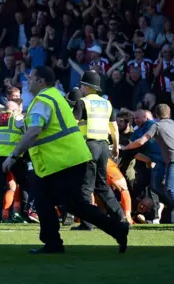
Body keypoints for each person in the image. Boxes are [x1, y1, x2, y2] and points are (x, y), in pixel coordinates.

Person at [1, 66, 129, 254]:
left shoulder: (43, 100)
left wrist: (13, 155)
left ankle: (58, 242)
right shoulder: (54, 96)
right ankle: (111, 230)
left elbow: (35, 131)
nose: (27, 82)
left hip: (62, 161)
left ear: (40, 81)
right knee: (58, 202)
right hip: (66, 159)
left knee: (62, 203)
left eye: (30, 78)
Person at [71, 71, 125, 230]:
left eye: (82, 85)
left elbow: (74, 126)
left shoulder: (82, 102)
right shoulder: (107, 103)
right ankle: (119, 215)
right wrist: (115, 147)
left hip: (89, 146)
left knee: (85, 186)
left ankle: (87, 223)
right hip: (103, 147)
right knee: (101, 184)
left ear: (86, 86)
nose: (81, 88)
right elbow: (114, 129)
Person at [122, 104, 174, 224]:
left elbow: (141, 141)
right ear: (169, 114)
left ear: (156, 115)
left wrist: (126, 147)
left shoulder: (157, 125)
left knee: (170, 189)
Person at [0, 99, 36, 223]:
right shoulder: (18, 118)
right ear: (16, 109)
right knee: (25, 184)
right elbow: (27, 133)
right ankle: (27, 213)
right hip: (14, 156)